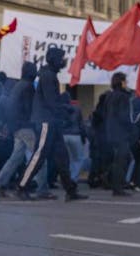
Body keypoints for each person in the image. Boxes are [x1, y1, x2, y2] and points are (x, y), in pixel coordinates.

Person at [16, 48, 87, 202]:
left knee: (63, 158)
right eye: (62, 58)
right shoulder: (48, 76)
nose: (64, 61)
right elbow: (51, 102)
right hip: (45, 122)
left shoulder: (49, 75)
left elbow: (53, 101)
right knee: (39, 156)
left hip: (51, 122)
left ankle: (70, 191)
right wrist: (67, 108)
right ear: (55, 59)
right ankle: (21, 187)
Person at [0, 62, 44, 197]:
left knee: (15, 158)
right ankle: (41, 188)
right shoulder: (28, 87)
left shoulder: (17, 85)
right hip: (26, 126)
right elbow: (30, 108)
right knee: (39, 157)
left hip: (16, 127)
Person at [103, 72, 134, 196]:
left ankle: (111, 179)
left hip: (111, 132)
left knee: (118, 160)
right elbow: (123, 116)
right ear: (121, 82)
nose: (127, 84)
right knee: (122, 160)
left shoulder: (109, 96)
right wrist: (131, 128)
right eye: (125, 81)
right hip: (121, 133)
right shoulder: (123, 97)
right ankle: (118, 186)